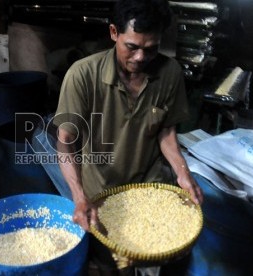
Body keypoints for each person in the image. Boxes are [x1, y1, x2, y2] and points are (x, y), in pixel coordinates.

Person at [32, 0, 204, 273]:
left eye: (151, 49)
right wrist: (79, 197)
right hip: (101, 192)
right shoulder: (83, 75)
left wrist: (183, 173)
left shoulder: (169, 74)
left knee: (156, 255)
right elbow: (65, 142)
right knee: (111, 263)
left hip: (148, 187)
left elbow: (166, 130)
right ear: (114, 33)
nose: (140, 58)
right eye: (132, 47)